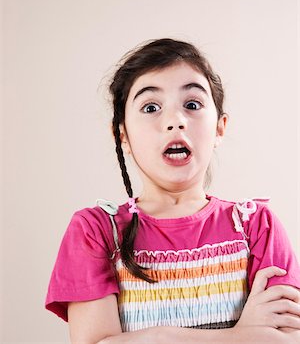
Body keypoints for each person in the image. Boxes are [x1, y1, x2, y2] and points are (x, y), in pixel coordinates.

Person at [45, 38, 300, 343]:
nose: (175, 121)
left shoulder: (257, 225)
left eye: (192, 105)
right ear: (122, 134)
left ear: (219, 127)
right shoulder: (95, 230)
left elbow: (283, 340)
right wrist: (241, 335)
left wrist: (150, 338)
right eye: (151, 107)